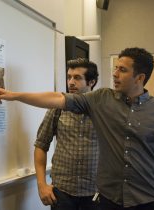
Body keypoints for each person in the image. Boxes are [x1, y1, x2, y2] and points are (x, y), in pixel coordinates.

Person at [0, 47, 154, 210]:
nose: (115, 74)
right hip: (105, 199)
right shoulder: (101, 99)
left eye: (122, 70)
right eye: (115, 68)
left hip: (147, 199)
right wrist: (15, 95)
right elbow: (57, 98)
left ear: (139, 78)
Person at [34, 58, 99, 210]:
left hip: (96, 193)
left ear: (92, 82)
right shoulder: (57, 108)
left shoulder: (103, 109)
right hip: (62, 192)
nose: (71, 82)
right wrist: (42, 185)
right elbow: (41, 145)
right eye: (69, 77)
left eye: (77, 78)